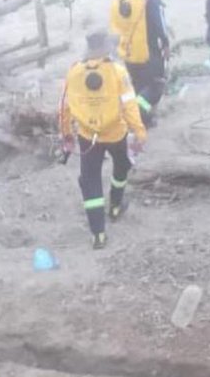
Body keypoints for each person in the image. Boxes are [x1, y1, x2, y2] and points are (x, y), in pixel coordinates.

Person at [58, 30, 147, 250]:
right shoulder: (117, 71)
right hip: (117, 133)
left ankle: (98, 234)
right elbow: (129, 104)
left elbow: (64, 107)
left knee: (90, 181)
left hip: (88, 136)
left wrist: (67, 135)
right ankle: (116, 206)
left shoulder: (74, 72)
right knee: (122, 166)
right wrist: (140, 133)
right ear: (107, 48)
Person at [109, 0, 170, 128]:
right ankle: (138, 116)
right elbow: (159, 22)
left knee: (137, 84)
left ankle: (142, 118)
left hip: (127, 51)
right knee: (155, 85)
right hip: (148, 50)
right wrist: (165, 43)